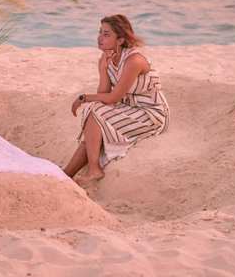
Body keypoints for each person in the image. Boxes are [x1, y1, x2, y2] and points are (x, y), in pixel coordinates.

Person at [63, 15, 169, 186]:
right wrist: (103, 69)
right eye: (100, 32)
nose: (100, 38)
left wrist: (83, 98)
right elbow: (104, 94)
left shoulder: (134, 60)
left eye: (106, 34)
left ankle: (92, 170)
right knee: (94, 110)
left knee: (94, 110)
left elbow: (113, 97)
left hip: (150, 113)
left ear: (120, 40)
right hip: (127, 108)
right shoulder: (106, 58)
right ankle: (67, 174)